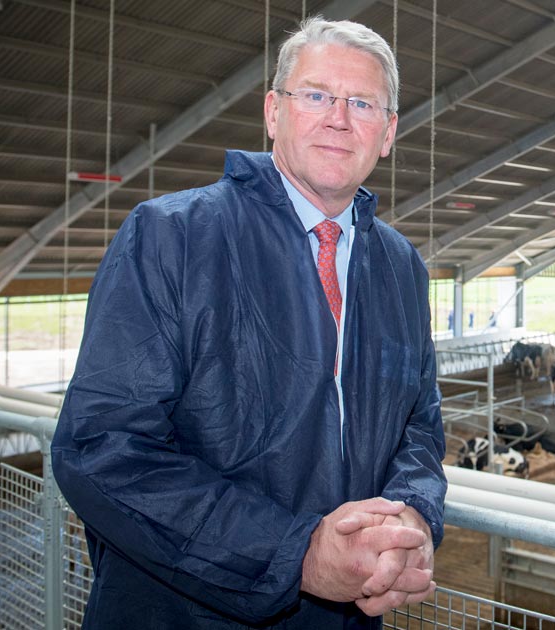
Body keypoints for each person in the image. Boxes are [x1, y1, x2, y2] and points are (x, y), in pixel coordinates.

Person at [51, 17, 447, 629]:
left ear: (388, 132)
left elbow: (418, 427)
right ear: (273, 112)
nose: (338, 118)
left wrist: (413, 516)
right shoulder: (173, 237)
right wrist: (297, 555)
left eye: (362, 103)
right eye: (316, 95)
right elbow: (103, 449)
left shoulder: (401, 267)